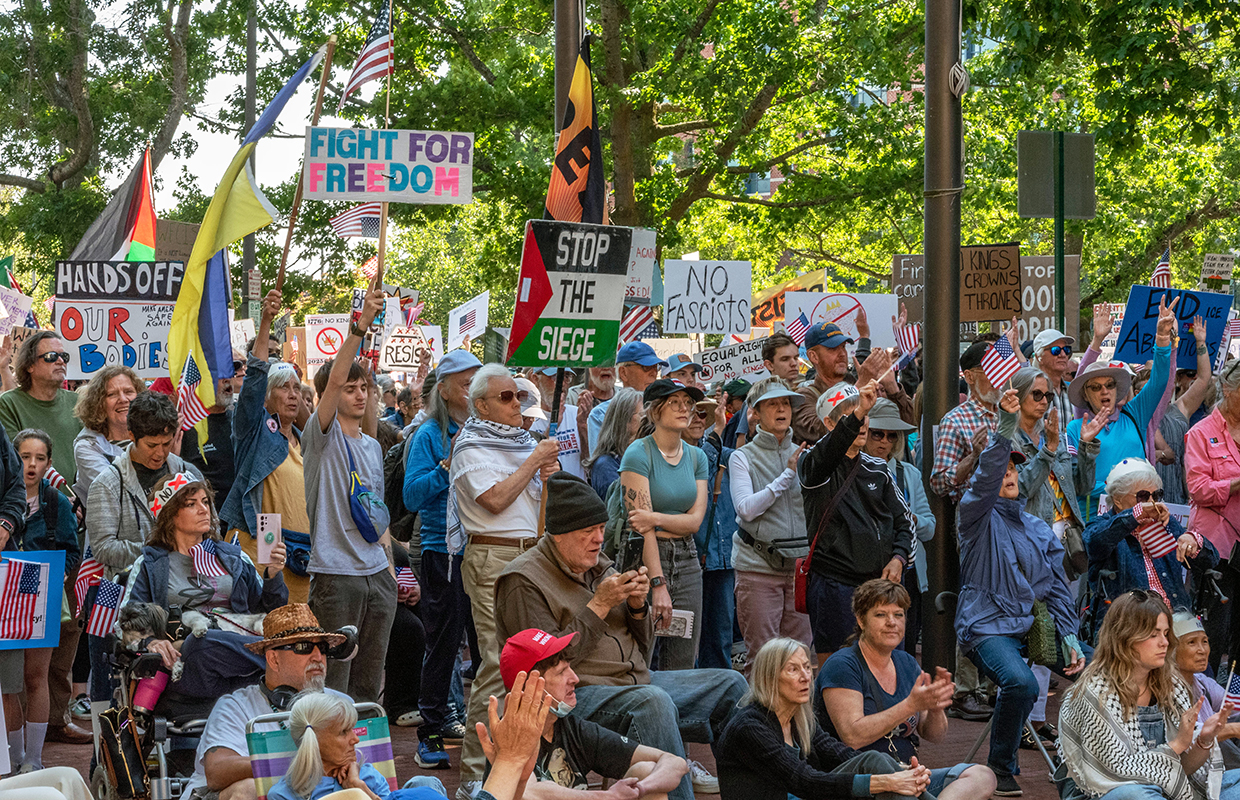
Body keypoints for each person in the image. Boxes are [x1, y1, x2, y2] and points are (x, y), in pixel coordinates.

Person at [494, 471, 749, 800]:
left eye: (602, 528)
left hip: (637, 680)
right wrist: (599, 605)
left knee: (732, 686)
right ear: (558, 535)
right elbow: (541, 668)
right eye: (588, 532)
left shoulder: (597, 563)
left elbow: (642, 649)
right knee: (652, 703)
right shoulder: (523, 580)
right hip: (579, 694)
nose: (599, 539)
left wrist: (637, 606)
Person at [956, 387, 1086, 797]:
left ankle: (1090, 763)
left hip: (1031, 628)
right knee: (1022, 683)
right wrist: (1006, 427)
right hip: (985, 627)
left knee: (1102, 669)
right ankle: (1000, 768)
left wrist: (1070, 635)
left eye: (1014, 468)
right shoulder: (974, 516)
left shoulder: (1037, 527)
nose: (1009, 474)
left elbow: (1058, 590)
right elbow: (986, 477)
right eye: (1002, 469)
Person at [451, 363, 561, 797]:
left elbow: (541, 509)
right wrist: (535, 461)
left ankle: (523, 770)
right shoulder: (469, 445)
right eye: (506, 397)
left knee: (535, 662)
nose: (518, 403)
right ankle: (472, 777)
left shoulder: (524, 443)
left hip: (532, 554)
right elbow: (495, 500)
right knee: (499, 665)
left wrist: (548, 477)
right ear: (481, 406)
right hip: (492, 556)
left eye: (519, 395)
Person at [815, 579, 996, 800]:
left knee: (982, 776)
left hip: (908, 775)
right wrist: (909, 705)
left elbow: (934, 735)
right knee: (886, 770)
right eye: (881, 615)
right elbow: (853, 736)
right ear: (861, 620)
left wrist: (936, 708)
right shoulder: (843, 665)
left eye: (898, 614)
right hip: (862, 782)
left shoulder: (907, 662)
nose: (892, 622)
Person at [304, 287, 395, 704]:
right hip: (337, 576)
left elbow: (377, 513)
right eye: (349, 387)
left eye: (364, 388)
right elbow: (335, 377)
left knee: (368, 688)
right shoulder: (320, 437)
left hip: (377, 575)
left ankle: (365, 749)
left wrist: (389, 570)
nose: (358, 394)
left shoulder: (373, 446)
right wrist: (360, 327)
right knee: (334, 688)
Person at [85, 391, 201, 707]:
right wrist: (157, 550)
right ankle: (108, 739)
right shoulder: (107, 483)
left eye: (167, 443)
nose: (160, 453)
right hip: (122, 600)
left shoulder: (187, 473)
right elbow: (103, 549)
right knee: (112, 691)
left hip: (181, 598)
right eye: (151, 445)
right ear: (132, 435)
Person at [1058, 592, 1228, 800]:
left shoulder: (1172, 686)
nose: (1164, 642)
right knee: (1137, 795)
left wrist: (1203, 740)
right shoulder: (1096, 692)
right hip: (1103, 792)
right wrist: (1176, 745)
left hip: (1161, 788)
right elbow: (1115, 773)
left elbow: (1181, 771)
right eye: (1153, 634)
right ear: (1125, 638)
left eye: (1166, 633)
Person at [716, 637, 932, 800]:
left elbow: (840, 754)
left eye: (806, 667)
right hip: (800, 791)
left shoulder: (799, 718)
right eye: (793, 669)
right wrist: (886, 781)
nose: (805, 677)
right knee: (880, 776)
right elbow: (803, 780)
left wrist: (899, 771)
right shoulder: (749, 727)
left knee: (876, 762)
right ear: (769, 678)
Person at [490, 628, 689, 799]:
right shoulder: (510, 735)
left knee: (645, 770)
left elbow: (675, 762)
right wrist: (608, 796)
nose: (575, 678)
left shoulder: (571, 727)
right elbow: (531, 793)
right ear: (530, 686)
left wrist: (640, 789)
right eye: (561, 672)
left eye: (570, 668)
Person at [180, 604, 350, 800]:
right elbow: (216, 772)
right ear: (273, 659)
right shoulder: (235, 706)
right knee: (250, 789)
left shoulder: (342, 704)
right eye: (303, 647)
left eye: (323, 648)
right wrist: (304, 762)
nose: (318, 657)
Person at [401, 350, 480, 767]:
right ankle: (429, 734)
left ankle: (483, 729)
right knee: (444, 647)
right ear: (444, 389)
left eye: (476, 383)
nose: (473, 391)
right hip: (442, 553)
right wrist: (445, 469)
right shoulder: (429, 434)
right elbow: (411, 496)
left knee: (485, 649)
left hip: (483, 550)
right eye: (466, 384)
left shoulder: (484, 430)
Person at [799, 381, 913, 661]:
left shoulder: (879, 469)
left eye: (864, 415)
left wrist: (899, 558)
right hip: (835, 586)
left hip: (879, 586)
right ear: (829, 423)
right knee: (837, 667)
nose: (861, 423)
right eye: (849, 416)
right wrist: (859, 411)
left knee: (887, 666)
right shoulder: (813, 465)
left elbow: (905, 523)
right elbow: (825, 454)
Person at [121, 475, 288, 645]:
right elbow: (128, 625)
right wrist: (151, 643)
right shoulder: (150, 564)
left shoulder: (234, 557)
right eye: (191, 504)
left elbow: (271, 613)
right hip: (187, 646)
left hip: (238, 643)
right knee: (200, 644)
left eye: (205, 502)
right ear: (169, 516)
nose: (204, 510)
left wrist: (273, 575)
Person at [223, 292, 313, 602]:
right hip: (263, 538)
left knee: (301, 624)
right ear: (266, 397)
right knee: (267, 617)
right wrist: (266, 322)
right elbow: (254, 380)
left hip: (302, 553)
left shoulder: (305, 442)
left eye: (296, 388)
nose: (293, 394)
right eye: (283, 388)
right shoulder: (254, 431)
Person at [2, 429, 82, 771]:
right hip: (6, 594)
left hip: (41, 593)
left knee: (37, 676)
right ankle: (15, 758)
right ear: (13, 458)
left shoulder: (56, 502)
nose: (31, 465)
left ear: (49, 463)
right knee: (9, 683)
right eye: (24, 457)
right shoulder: (5, 499)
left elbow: (72, 550)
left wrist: (60, 573)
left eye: (39, 458)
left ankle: (34, 760)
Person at [619, 378, 709, 670]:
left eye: (688, 403)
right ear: (655, 410)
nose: (684, 408)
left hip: (687, 557)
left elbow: (695, 522)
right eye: (674, 402)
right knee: (640, 654)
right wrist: (657, 583)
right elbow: (640, 526)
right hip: (646, 558)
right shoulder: (638, 453)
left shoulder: (697, 456)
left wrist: (655, 517)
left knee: (683, 658)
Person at [1067, 294, 1178, 522]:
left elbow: (1159, 381)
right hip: (1095, 522)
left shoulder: (1134, 414)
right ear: (1085, 394)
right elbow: (1076, 481)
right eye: (1095, 387)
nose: (1104, 391)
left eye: (1109, 385)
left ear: (1117, 390)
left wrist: (1162, 338)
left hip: (1140, 518)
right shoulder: (1077, 427)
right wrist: (1096, 341)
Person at [1081, 458, 1216, 643]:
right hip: (1129, 628)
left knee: (1199, 649)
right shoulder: (1102, 525)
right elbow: (1095, 542)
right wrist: (1134, 516)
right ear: (1118, 500)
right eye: (1143, 496)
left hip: (1175, 623)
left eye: (1156, 495)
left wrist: (1194, 541)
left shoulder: (1165, 522)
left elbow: (1211, 561)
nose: (1152, 503)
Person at [728, 377, 812, 670]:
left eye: (785, 403)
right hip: (757, 567)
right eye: (773, 403)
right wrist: (787, 476)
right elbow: (746, 510)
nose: (781, 409)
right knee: (763, 660)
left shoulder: (806, 454)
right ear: (755, 412)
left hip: (799, 570)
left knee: (800, 657)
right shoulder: (742, 457)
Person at [266, 691, 444, 800]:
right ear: (314, 741)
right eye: (344, 732)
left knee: (425, 783)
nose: (356, 739)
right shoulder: (285, 795)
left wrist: (360, 788)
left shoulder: (366, 775)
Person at [860, 399, 934, 655]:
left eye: (892, 435)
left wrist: (910, 519)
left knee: (903, 649)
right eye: (877, 434)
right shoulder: (850, 470)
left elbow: (930, 528)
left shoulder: (909, 474)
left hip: (905, 573)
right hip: (862, 571)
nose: (884, 441)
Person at [1185, 358, 1240, 671]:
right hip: (1215, 548)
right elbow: (1198, 489)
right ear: (1229, 391)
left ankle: (1234, 694)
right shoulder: (1201, 433)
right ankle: (1204, 692)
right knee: (1213, 630)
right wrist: (1236, 483)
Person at [0, 330, 83, 485]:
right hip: (32, 498)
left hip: (78, 497)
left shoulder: (77, 402)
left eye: (64, 356)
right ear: (30, 365)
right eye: (51, 356)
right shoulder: (7, 403)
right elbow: (17, 460)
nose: (60, 361)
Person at [72, 365, 143, 504]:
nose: (123, 399)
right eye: (112, 394)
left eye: (128, 391)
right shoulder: (87, 446)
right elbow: (114, 492)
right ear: (98, 403)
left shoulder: (154, 436)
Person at [585, 343, 666, 458]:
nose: (653, 373)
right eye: (646, 367)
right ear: (623, 373)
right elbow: (600, 461)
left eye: (656, 367)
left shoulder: (664, 409)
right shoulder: (601, 414)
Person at [530, 367, 591, 480]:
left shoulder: (576, 413)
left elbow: (589, 461)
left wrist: (583, 426)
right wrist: (553, 425)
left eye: (566, 377)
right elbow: (529, 465)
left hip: (576, 489)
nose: (562, 383)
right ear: (535, 379)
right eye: (555, 377)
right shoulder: (528, 420)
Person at [582, 387, 641, 501]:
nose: (649, 420)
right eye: (643, 414)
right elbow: (622, 506)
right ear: (625, 421)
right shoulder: (606, 465)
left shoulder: (640, 455)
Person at [1031, 328, 1075, 425]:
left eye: (1066, 350)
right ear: (1039, 357)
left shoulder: (1071, 391)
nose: (1063, 355)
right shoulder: (1031, 391)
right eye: (1056, 350)